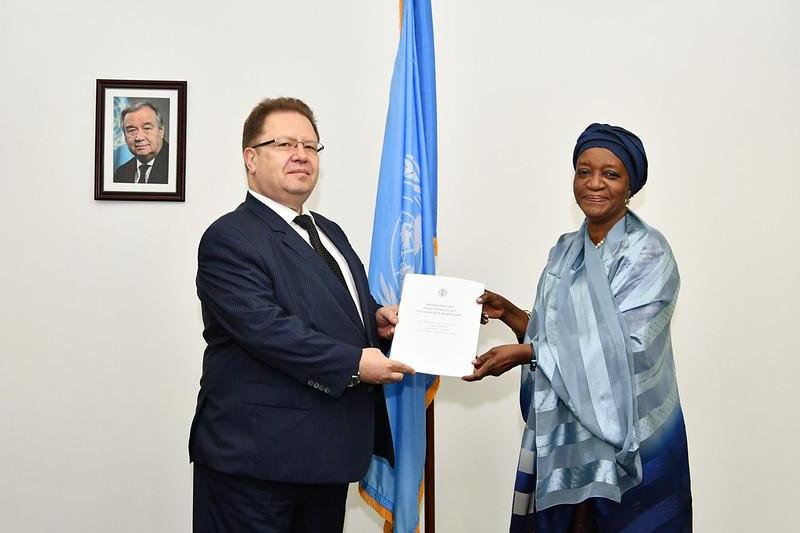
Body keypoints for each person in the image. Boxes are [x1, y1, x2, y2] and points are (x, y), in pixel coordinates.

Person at [189, 97, 414, 533]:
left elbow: (334, 310)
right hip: (255, 463)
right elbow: (269, 331)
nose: (301, 155)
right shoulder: (229, 238)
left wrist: (376, 320)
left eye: (311, 146)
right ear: (250, 158)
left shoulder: (328, 231)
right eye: (285, 143)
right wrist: (354, 362)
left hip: (328, 458)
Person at [464, 124, 692, 532]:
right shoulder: (563, 251)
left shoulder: (648, 251)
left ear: (630, 186)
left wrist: (530, 353)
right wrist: (512, 315)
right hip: (564, 445)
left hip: (634, 446)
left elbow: (629, 347)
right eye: (584, 171)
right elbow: (554, 334)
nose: (594, 184)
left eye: (610, 174)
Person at [113, 101, 169, 183]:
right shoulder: (121, 173)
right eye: (132, 130)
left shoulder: (176, 166)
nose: (139, 137)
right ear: (124, 136)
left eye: (146, 128)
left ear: (161, 131)